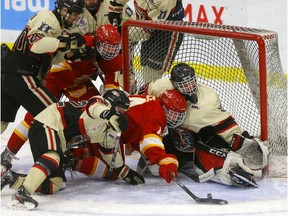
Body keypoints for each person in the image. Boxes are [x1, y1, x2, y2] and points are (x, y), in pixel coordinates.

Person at [1, 24, 123, 180]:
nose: (110, 52)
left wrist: (109, 101)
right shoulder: (83, 43)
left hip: (80, 82)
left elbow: (111, 84)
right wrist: (73, 89)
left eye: (113, 48)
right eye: (106, 47)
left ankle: (77, 153)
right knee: (38, 117)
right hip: (58, 78)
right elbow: (58, 66)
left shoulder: (114, 58)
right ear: (97, 42)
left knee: (93, 115)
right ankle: (8, 152)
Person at [1, 89, 144, 210]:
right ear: (112, 103)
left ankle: (11, 178)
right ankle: (22, 194)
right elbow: (95, 108)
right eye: (120, 109)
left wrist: (124, 171)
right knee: (53, 156)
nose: (122, 114)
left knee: (55, 184)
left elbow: (107, 151)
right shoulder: (99, 102)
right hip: (48, 124)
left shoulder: (108, 128)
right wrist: (111, 114)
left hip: (57, 135)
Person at [139, 63, 269, 187]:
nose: (189, 88)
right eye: (184, 85)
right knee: (155, 166)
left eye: (190, 83)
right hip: (171, 137)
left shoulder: (207, 100)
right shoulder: (161, 87)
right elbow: (141, 94)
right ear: (174, 84)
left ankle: (227, 170)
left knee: (210, 143)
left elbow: (225, 124)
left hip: (195, 142)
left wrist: (242, 142)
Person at [66, 89, 187, 184]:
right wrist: (163, 159)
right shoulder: (156, 114)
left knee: (105, 157)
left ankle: (73, 154)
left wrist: (151, 158)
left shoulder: (153, 103)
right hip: (103, 129)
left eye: (179, 115)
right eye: (174, 114)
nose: (176, 119)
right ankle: (70, 162)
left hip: (102, 125)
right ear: (165, 108)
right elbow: (149, 141)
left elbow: (138, 131)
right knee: (112, 171)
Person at [1, 0, 86, 133]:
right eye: (74, 14)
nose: (75, 18)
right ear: (64, 10)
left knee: (2, 121)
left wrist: (69, 55)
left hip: (11, 72)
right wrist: (63, 43)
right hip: (22, 75)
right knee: (56, 114)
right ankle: (57, 152)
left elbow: (46, 55)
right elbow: (35, 45)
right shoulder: (49, 19)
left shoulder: (57, 25)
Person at [108, 0, 184, 83]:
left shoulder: (165, 2)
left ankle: (145, 92)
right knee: (145, 67)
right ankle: (132, 86)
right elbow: (118, 3)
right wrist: (116, 7)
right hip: (145, 23)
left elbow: (146, 30)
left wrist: (123, 36)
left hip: (167, 32)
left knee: (151, 75)